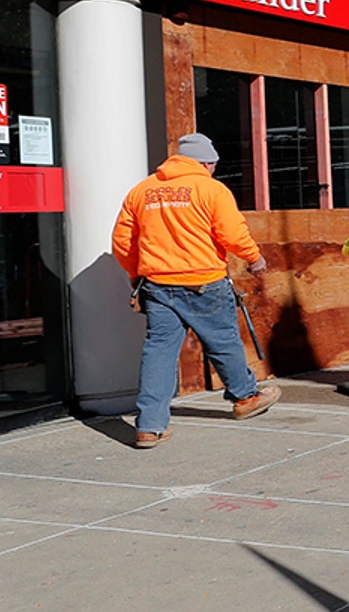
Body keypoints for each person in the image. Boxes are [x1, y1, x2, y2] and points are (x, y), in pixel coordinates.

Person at [112, 132, 281, 448]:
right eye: (213, 165)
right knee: (223, 341)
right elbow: (232, 232)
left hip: (159, 286)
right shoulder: (211, 189)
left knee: (159, 352)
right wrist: (254, 257)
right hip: (204, 282)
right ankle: (245, 397)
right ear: (205, 162)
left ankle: (149, 426)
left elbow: (122, 241)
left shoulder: (143, 190)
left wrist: (136, 273)